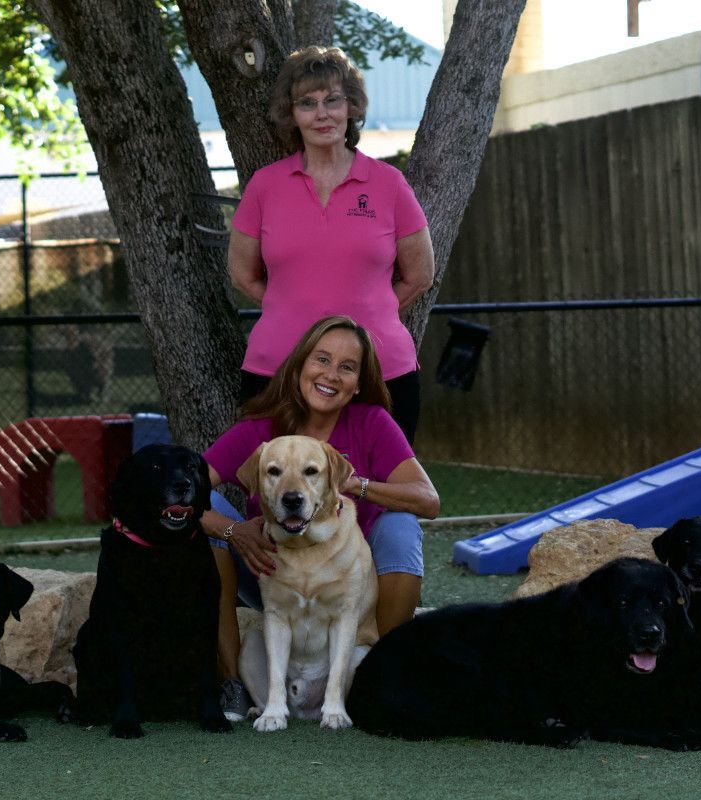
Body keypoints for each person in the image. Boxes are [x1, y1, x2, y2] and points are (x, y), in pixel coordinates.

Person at [200, 316, 440, 721]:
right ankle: (231, 685)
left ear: (359, 382)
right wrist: (233, 530)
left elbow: (427, 500)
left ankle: (384, 670)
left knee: (402, 526)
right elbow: (186, 492)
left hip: (345, 578)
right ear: (299, 366)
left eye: (347, 367)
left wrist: (351, 484)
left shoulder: (371, 424)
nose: (331, 375)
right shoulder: (261, 432)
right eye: (322, 360)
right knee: (205, 518)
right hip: (269, 570)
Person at [229, 45, 435, 444]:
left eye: (332, 100)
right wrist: (289, 308)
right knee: (278, 498)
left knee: (376, 493)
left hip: (377, 373)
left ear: (352, 107)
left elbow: (419, 276)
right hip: (278, 370)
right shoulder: (264, 186)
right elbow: (242, 274)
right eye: (307, 103)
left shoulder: (389, 184)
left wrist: (365, 318)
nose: (322, 114)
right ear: (291, 115)